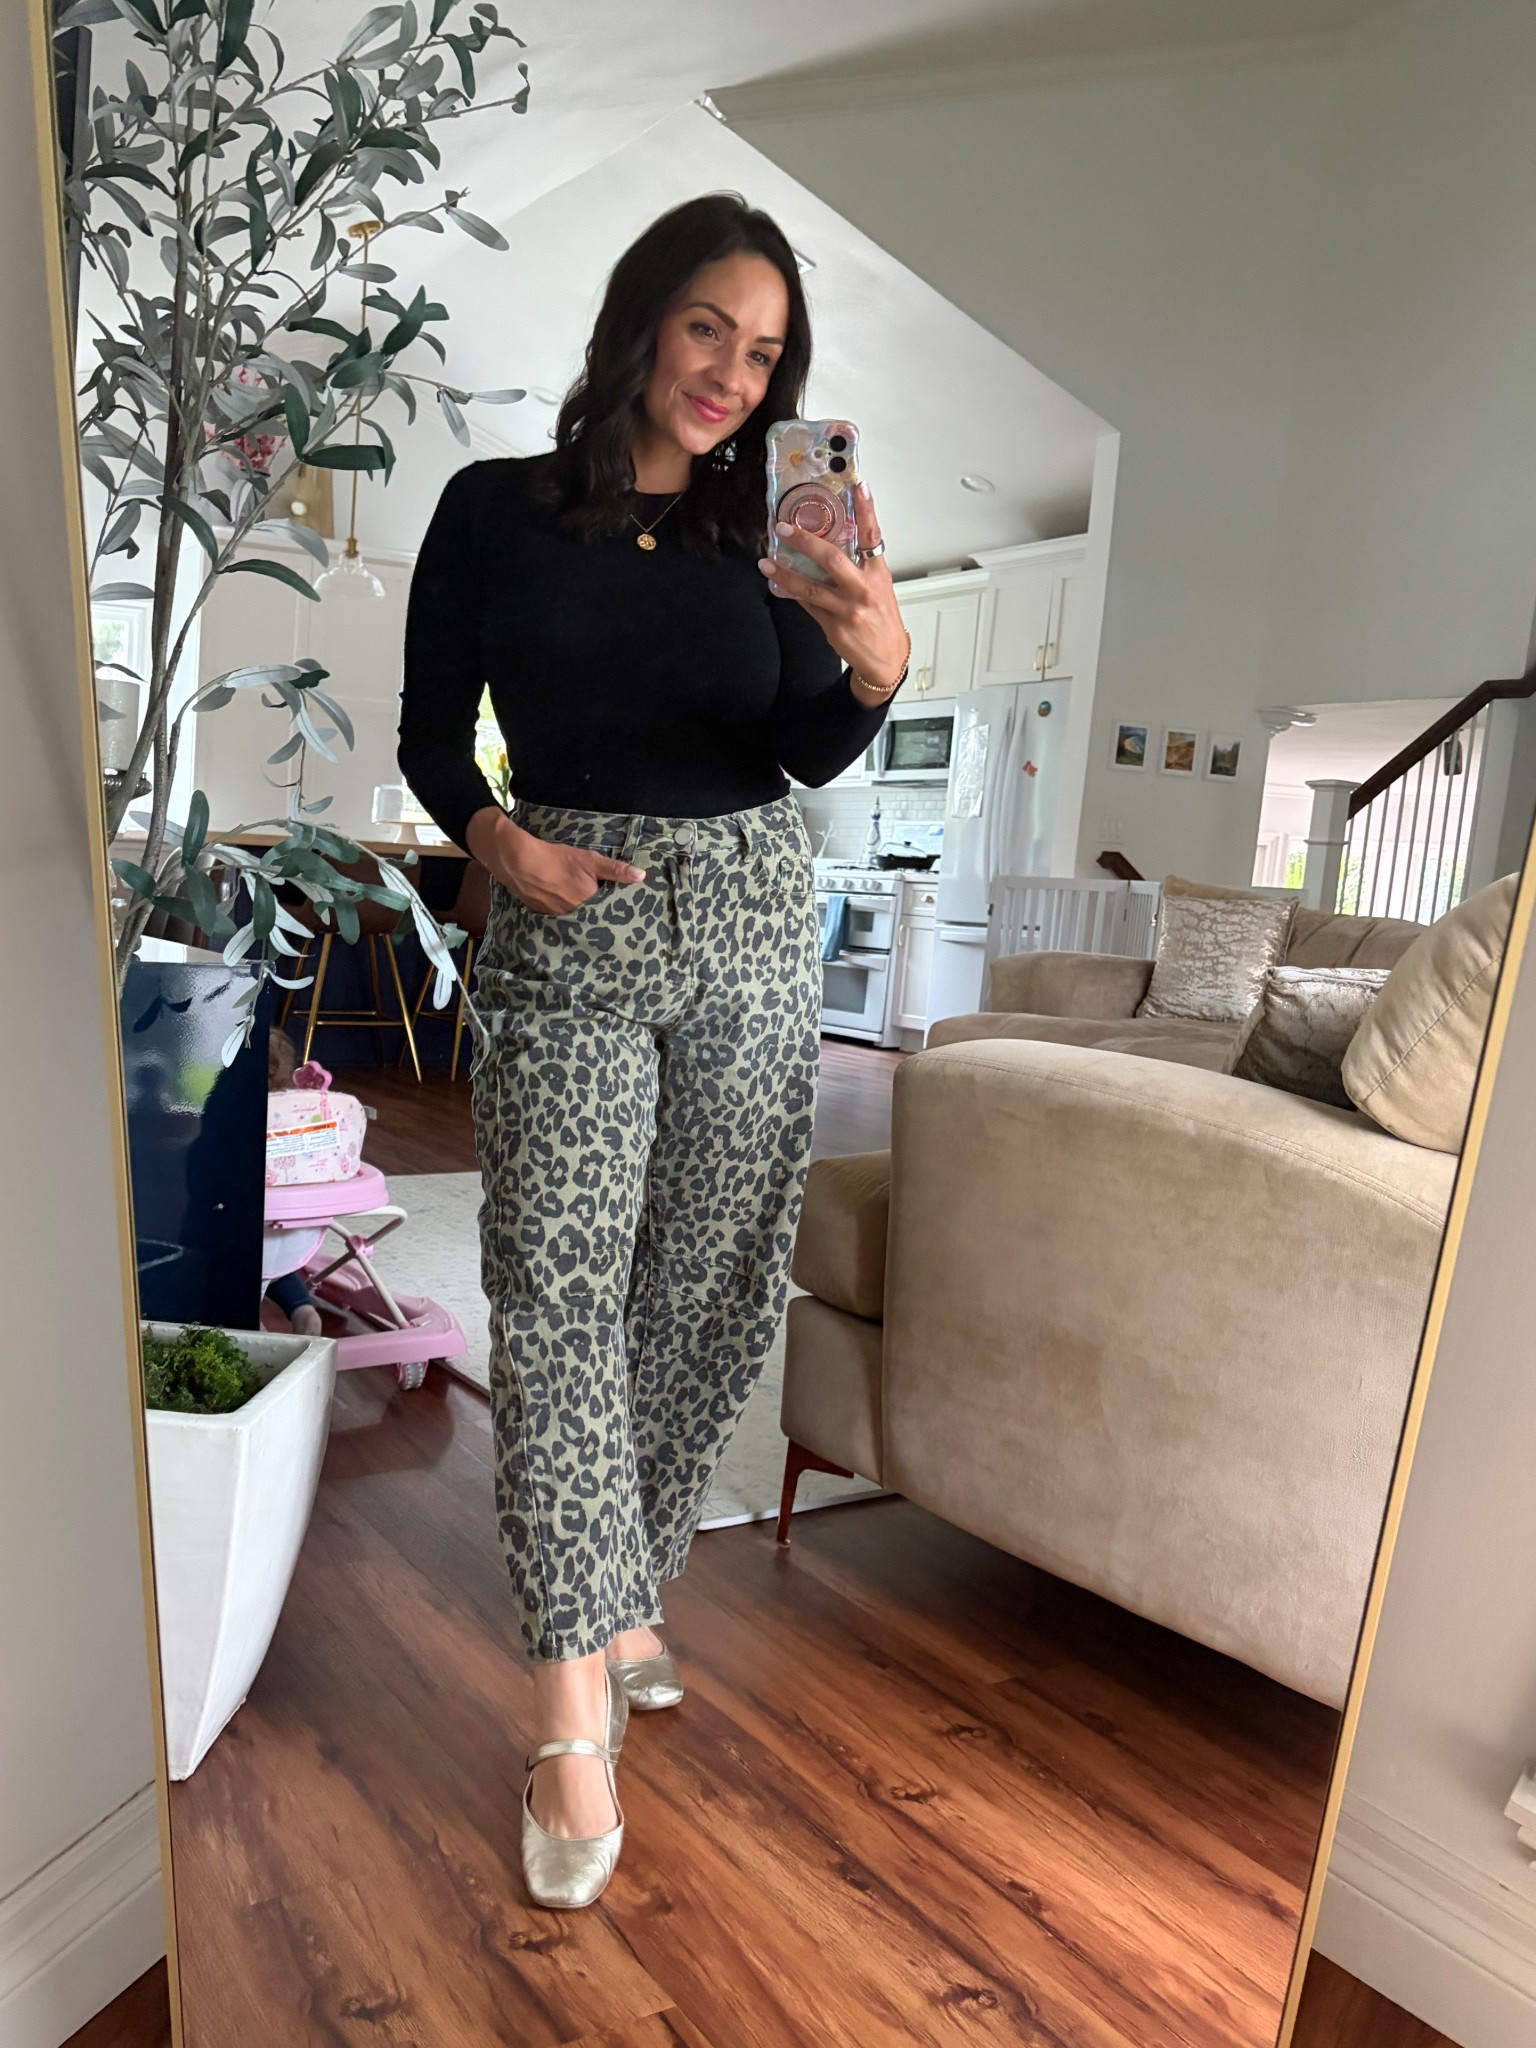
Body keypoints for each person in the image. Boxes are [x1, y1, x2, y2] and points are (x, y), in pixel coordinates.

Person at [397, 191, 910, 1909]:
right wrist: (497, 841)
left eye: (764, 355)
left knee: (710, 1278)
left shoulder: (763, 530)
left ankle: (627, 1588)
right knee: (554, 1284)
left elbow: (799, 749)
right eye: (709, 330)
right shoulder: (495, 508)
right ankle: (567, 1697)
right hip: (572, 918)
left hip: (754, 915)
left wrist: (873, 671)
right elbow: (430, 731)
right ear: (642, 318)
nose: (731, 376)